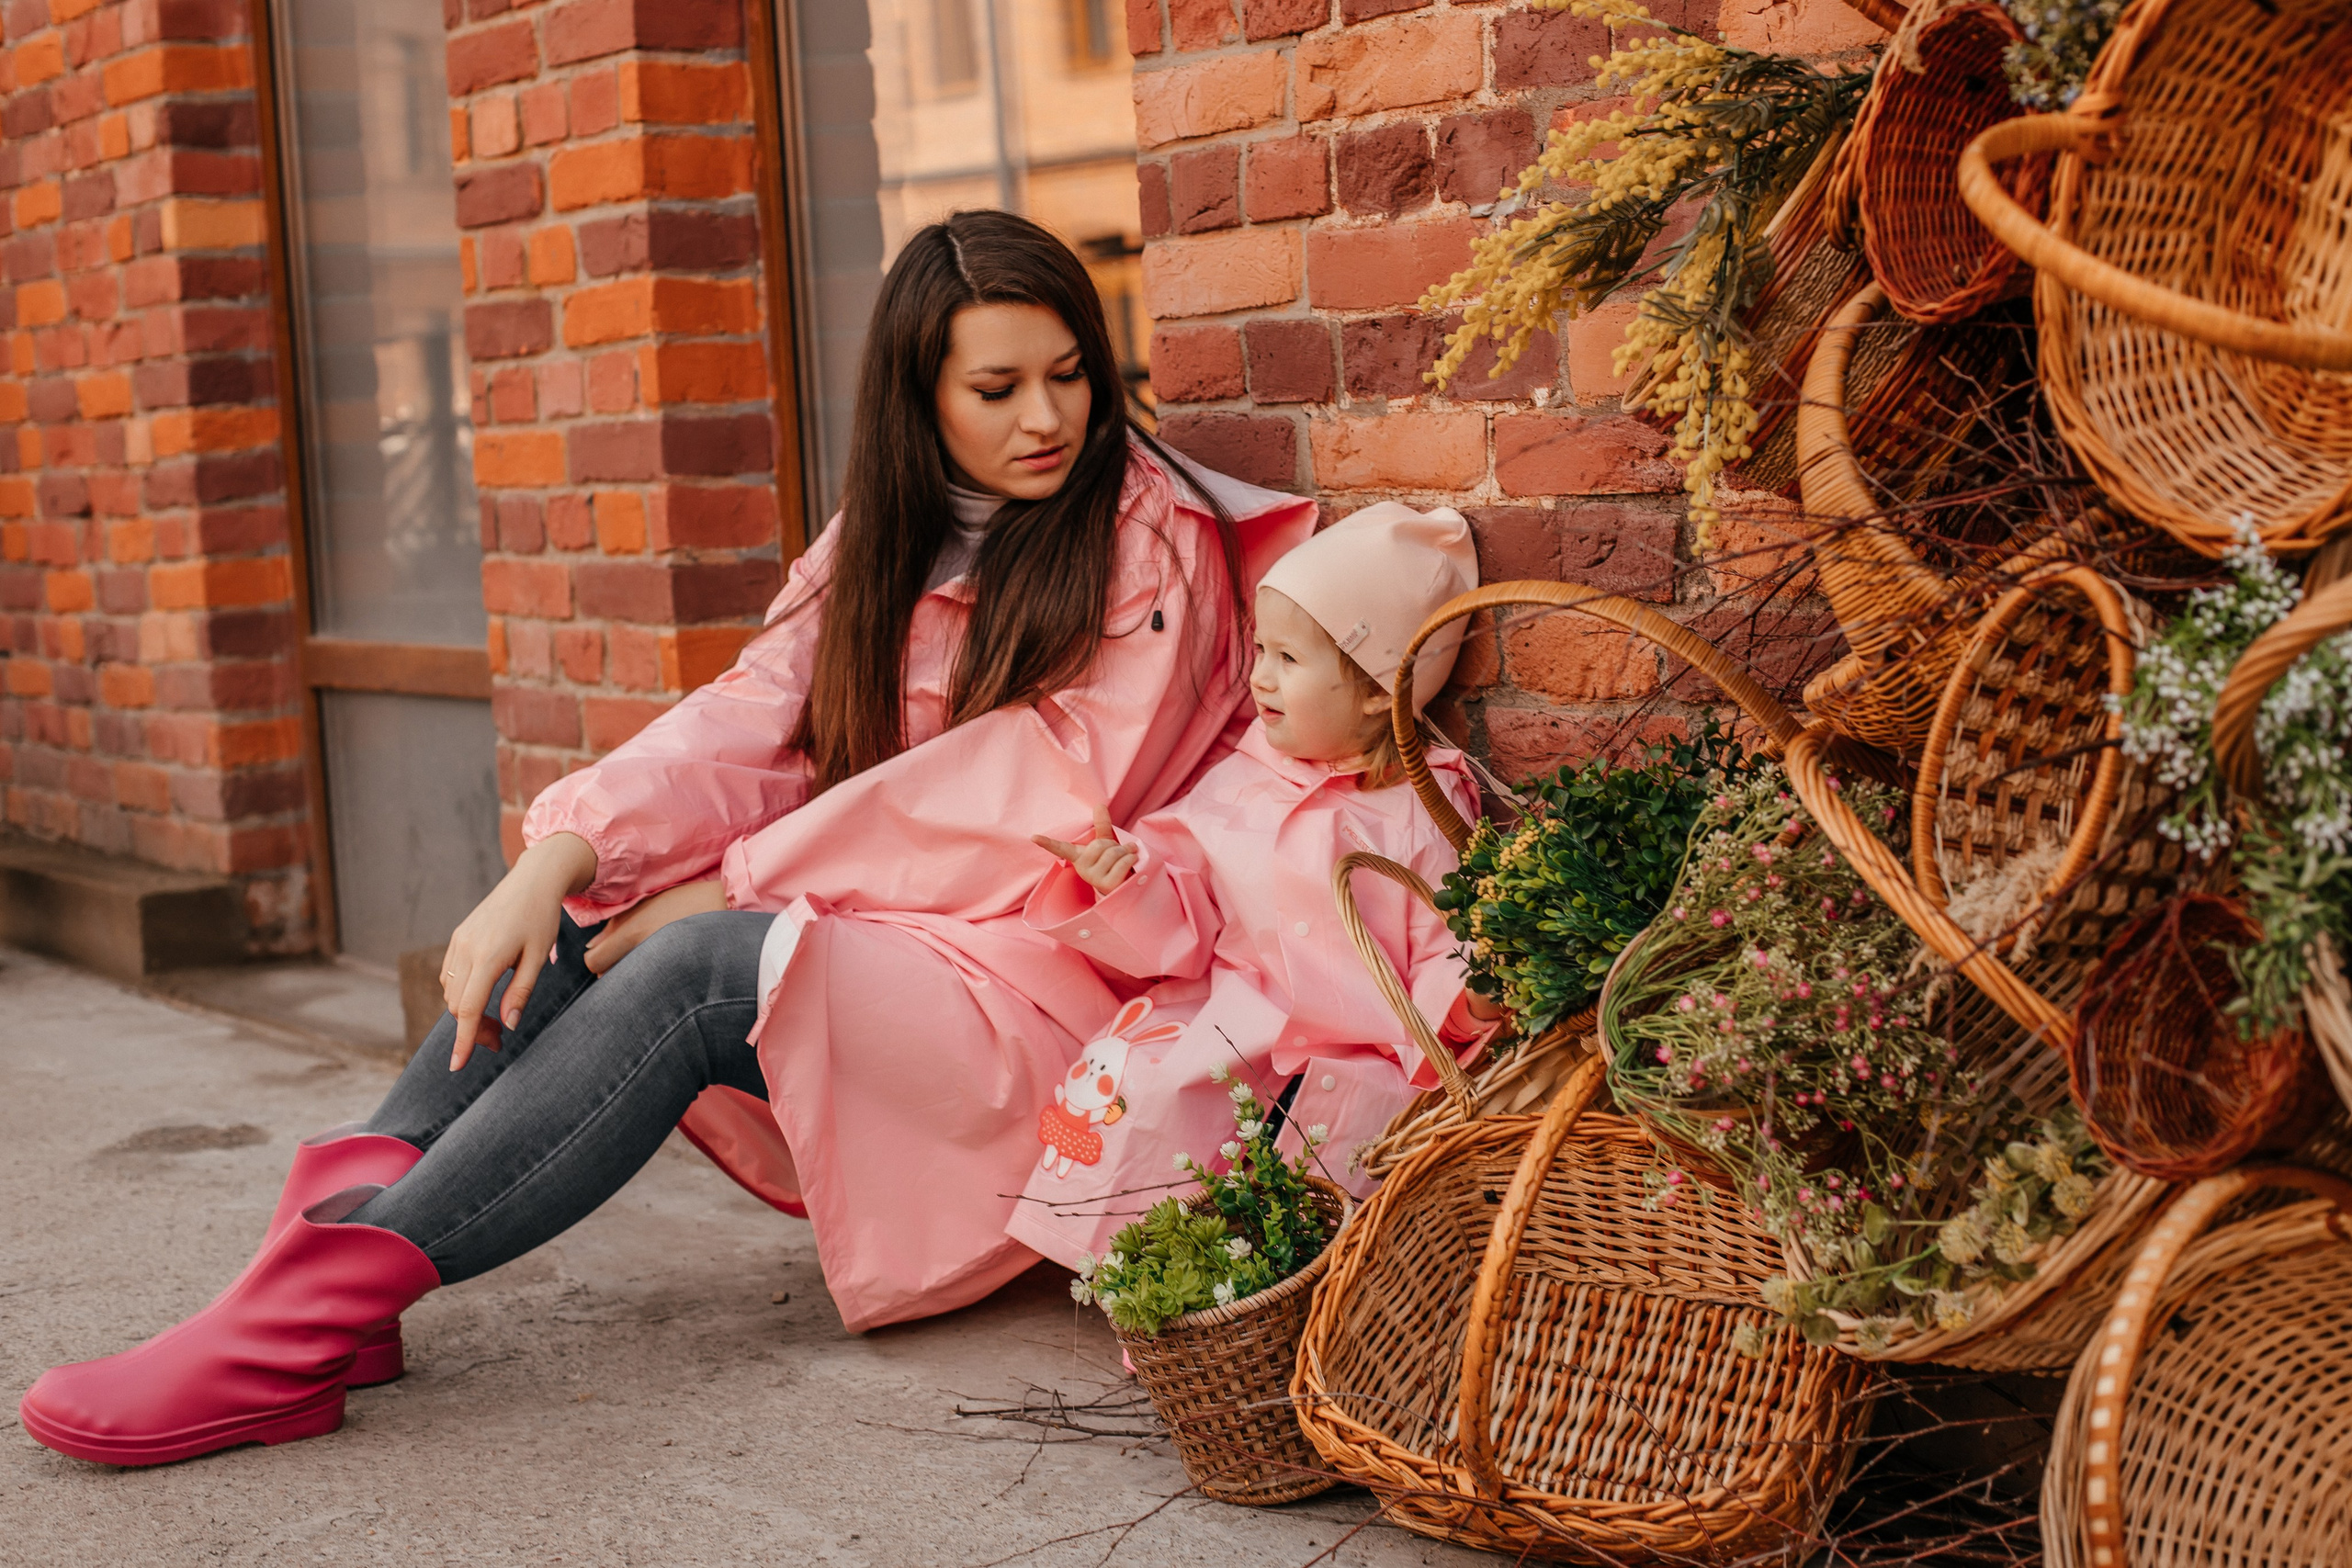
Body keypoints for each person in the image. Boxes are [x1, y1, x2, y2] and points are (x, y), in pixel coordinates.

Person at [17, 210, 1315, 1468]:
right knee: (591, 910)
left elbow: (1033, 803)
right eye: (997, 388)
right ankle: (313, 1290)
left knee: (703, 963)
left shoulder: (1149, 544)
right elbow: (748, 720)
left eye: (1070, 373)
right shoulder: (888, 537)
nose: (1047, 417)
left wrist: (730, 887)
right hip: (915, 942)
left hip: (1070, 986)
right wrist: (558, 859)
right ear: (918, 404)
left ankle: (296, 1324)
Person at [1010, 503, 1503, 1267]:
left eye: (1289, 659)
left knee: (1316, 1195)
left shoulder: (1420, 809)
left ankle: (1267, 1294)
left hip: (1361, 1054)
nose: (1260, 677)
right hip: (1236, 1022)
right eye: (1262, 650)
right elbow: (1188, 899)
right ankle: (1148, 1278)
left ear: (1377, 689)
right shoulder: (1242, 781)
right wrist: (1124, 881)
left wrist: (1470, 999)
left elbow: (1443, 943)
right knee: (1149, 1088)